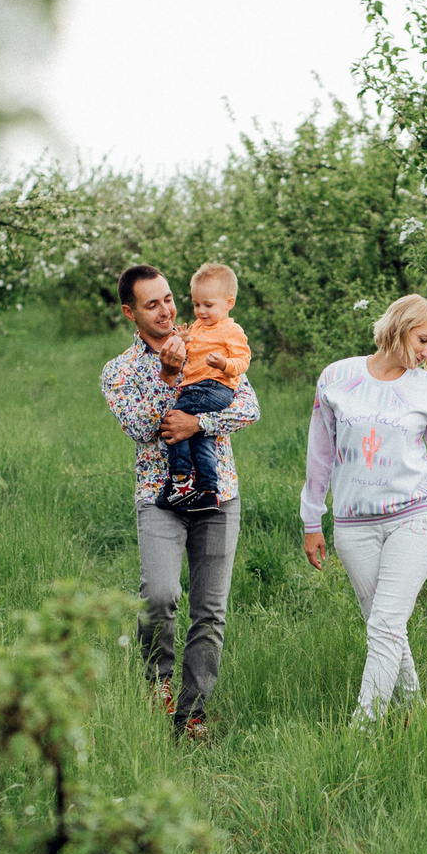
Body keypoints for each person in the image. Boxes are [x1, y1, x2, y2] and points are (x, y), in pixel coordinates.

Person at [300, 294, 427, 721]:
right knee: (384, 626)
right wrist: (311, 518)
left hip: (416, 520)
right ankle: (414, 710)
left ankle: (362, 731)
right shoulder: (337, 377)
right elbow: (320, 454)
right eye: (423, 340)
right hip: (354, 526)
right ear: (399, 326)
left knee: (385, 625)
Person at [101, 263, 258, 741]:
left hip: (217, 495)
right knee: (161, 595)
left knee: (210, 610)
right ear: (132, 313)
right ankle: (157, 683)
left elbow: (247, 406)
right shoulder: (119, 371)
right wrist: (170, 376)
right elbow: (139, 427)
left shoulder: (208, 336)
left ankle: (192, 714)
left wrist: (199, 425)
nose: (167, 310)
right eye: (153, 304)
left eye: (169, 298)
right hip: (159, 499)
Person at [157, 262, 251, 511]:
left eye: (208, 305)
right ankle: (208, 489)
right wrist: (184, 340)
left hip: (214, 387)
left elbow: (243, 361)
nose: (201, 311)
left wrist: (225, 364)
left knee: (176, 417)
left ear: (229, 303)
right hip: (197, 387)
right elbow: (192, 355)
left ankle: (180, 479)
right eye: (196, 304)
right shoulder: (198, 327)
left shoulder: (231, 330)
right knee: (200, 434)